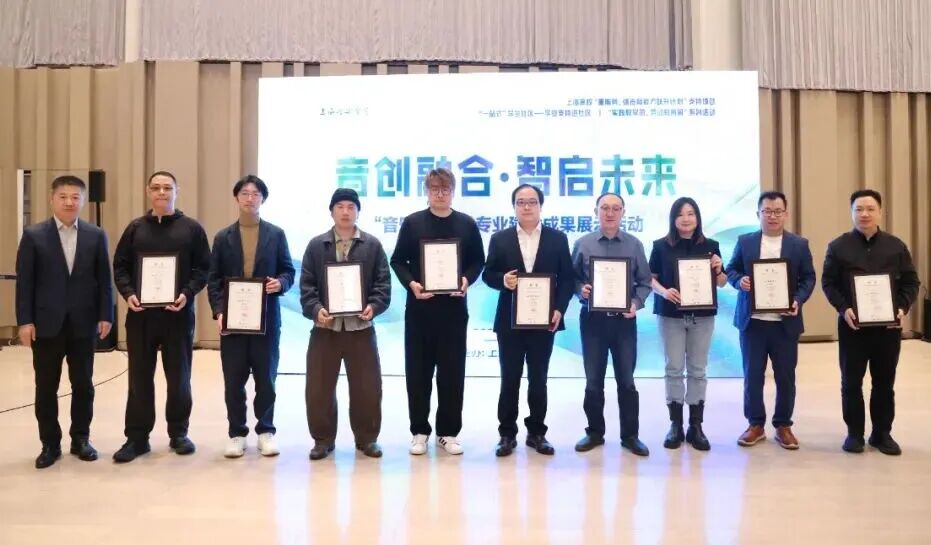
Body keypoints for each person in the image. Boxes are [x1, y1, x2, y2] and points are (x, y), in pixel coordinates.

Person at [111, 171, 211, 463]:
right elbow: (120, 266)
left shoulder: (192, 229)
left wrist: (187, 293)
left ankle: (178, 433)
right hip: (140, 317)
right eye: (156, 188)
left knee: (179, 377)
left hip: (177, 316)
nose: (162, 192)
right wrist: (128, 293)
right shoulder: (135, 229)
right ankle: (137, 438)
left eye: (168, 188)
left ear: (177, 191)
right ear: (148, 192)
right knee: (139, 378)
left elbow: (203, 269)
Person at [15, 175, 113, 469]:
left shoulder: (96, 235)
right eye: (63, 196)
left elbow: (104, 279)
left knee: (83, 384)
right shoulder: (34, 235)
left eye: (75, 197)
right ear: (52, 199)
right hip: (46, 324)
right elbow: (25, 283)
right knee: (46, 386)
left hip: (83, 323)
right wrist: (25, 321)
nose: (69, 202)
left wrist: (106, 314)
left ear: (82, 200)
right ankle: (50, 444)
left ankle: (81, 438)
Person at [390, 168, 485, 456]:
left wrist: (466, 280)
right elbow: (398, 261)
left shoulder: (466, 224)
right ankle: (419, 431)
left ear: (453, 191)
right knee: (418, 373)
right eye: (434, 189)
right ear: (427, 191)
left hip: (453, 311)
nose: (440, 194)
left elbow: (477, 261)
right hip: (420, 310)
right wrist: (412, 284)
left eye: (445, 189)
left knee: (452, 373)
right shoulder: (413, 223)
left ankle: (448, 432)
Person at [822, 189, 919, 455]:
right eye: (858, 209)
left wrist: (901, 308)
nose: (864, 214)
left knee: (884, 383)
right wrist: (844, 309)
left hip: (887, 329)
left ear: (880, 212)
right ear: (851, 212)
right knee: (851, 382)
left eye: (870, 209)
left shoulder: (896, 246)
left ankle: (881, 434)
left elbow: (911, 282)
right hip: (852, 328)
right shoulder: (838, 246)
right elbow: (828, 283)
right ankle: (854, 434)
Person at [482, 184, 574, 457]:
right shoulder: (500, 238)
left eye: (532, 201)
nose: (526, 206)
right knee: (509, 378)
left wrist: (559, 309)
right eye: (521, 202)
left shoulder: (558, 238)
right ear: (514, 207)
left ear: (540, 205)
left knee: (538, 378)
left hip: (544, 321)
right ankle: (506, 434)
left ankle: (537, 433)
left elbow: (567, 279)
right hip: (510, 322)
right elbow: (488, 274)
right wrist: (502, 280)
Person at [300, 188, 391, 461]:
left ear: (358, 212)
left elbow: (383, 285)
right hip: (325, 330)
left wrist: (373, 306)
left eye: (351, 207)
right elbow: (306, 286)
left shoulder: (372, 245)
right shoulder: (316, 246)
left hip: (360, 330)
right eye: (340, 206)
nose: (345, 212)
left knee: (367, 388)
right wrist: (316, 310)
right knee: (319, 388)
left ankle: (367, 439)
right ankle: (322, 440)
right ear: (331, 211)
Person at [207, 175, 294, 458]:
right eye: (244, 193)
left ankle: (266, 431)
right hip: (233, 321)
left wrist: (280, 283)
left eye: (255, 194)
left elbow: (288, 271)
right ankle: (237, 433)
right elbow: (214, 279)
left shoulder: (276, 234)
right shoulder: (223, 237)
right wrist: (219, 311)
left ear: (263, 199)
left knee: (266, 378)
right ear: (236, 198)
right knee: (234, 380)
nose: (250, 198)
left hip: (266, 319)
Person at [725, 191, 815, 450]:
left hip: (785, 323)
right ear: (758, 214)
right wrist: (739, 281)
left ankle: (783, 425)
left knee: (785, 376)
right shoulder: (746, 241)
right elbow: (731, 269)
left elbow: (808, 278)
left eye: (777, 211)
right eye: (767, 211)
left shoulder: (799, 244)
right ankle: (755, 424)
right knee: (752, 375)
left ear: (786, 214)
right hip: (753, 322)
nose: (772, 216)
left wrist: (797, 300)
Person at [571, 193, 653, 457]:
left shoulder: (634, 245)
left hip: (623, 322)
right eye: (604, 208)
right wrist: (580, 289)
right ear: (596, 211)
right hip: (592, 322)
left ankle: (630, 436)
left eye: (615, 208)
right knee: (593, 381)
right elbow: (571, 279)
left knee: (626, 381)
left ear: (623, 213)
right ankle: (594, 432)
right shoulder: (583, 244)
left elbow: (645, 282)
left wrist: (636, 303)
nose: (609, 213)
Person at [648, 197, 726, 451]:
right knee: (673, 368)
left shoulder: (711, 246)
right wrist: (664, 291)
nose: (686, 218)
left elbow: (722, 282)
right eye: (680, 214)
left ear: (698, 218)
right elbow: (649, 279)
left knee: (698, 370)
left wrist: (718, 269)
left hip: (702, 316)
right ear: (673, 218)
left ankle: (696, 425)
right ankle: (675, 425)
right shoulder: (660, 246)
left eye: (691, 213)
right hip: (670, 315)